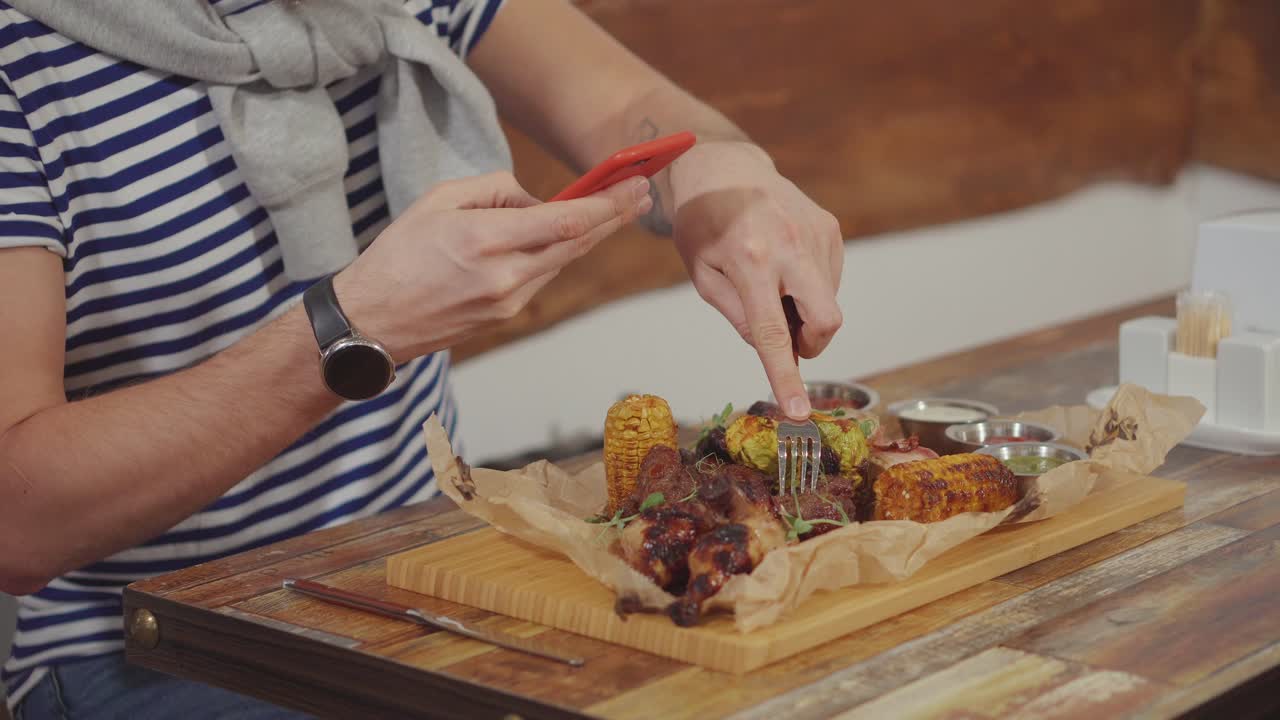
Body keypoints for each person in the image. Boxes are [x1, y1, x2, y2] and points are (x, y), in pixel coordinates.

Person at [0, 0, 843, 717]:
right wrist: (353, 330)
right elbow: (17, 520)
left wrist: (718, 171)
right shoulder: (21, 62)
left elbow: (624, 100)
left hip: (422, 569)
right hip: (155, 647)